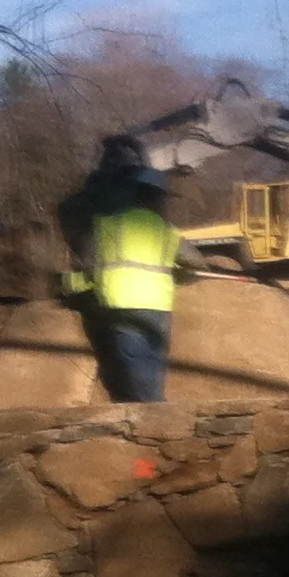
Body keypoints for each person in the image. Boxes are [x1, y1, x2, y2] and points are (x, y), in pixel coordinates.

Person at [83, 166, 197, 402]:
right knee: (154, 362)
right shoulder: (168, 231)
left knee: (133, 364)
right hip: (158, 306)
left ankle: (150, 415)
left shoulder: (106, 226)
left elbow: (87, 263)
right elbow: (197, 263)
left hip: (120, 303)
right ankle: (156, 413)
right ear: (158, 198)